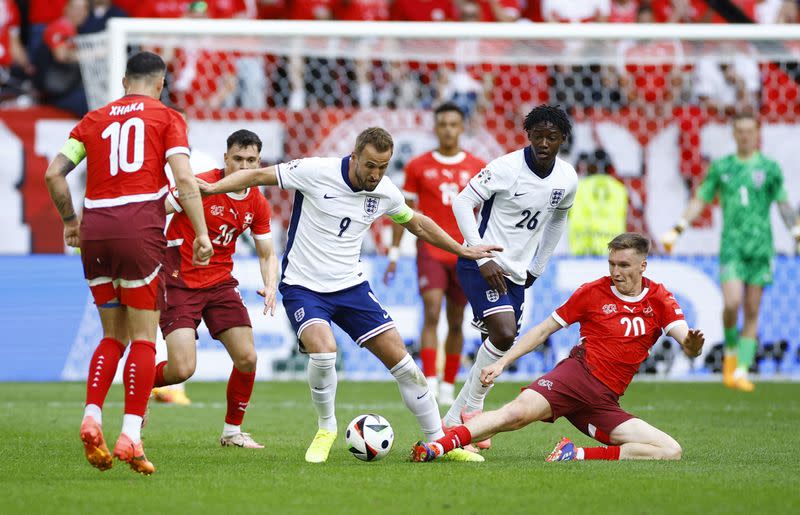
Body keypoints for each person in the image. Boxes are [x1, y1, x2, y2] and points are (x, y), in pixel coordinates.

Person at [199, 127, 499, 463]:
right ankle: (326, 428)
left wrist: (462, 248)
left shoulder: (384, 192)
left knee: (403, 363)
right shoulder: (315, 171)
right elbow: (256, 175)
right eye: (370, 165)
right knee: (324, 352)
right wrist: (211, 188)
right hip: (304, 287)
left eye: (383, 167)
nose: (375, 174)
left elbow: (417, 223)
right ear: (354, 156)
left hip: (351, 287)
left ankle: (439, 442)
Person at [44, 51, 213, 475]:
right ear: (160, 84)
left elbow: (53, 174)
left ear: (123, 81)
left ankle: (92, 415)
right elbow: (186, 181)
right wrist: (202, 234)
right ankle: (131, 437)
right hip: (139, 228)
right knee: (142, 338)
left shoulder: (94, 120)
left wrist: (70, 222)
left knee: (111, 335)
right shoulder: (168, 117)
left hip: (95, 229)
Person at [412, 232, 705, 462]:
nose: (616, 271)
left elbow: (685, 340)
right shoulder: (592, 292)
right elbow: (542, 331)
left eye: (624, 265)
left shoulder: (659, 299)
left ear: (643, 265)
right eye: (612, 264)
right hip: (575, 378)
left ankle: (574, 454)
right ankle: (439, 446)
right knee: (515, 416)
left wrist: (690, 344)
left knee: (669, 450)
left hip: (603, 401)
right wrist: (501, 362)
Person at [441, 104, 578, 451]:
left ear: (562, 139)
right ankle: (472, 414)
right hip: (481, 264)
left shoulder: (566, 179)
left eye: (552, 136)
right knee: (503, 334)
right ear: (528, 135)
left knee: (500, 343)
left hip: (517, 273)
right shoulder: (506, 168)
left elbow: (558, 220)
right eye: (538, 135)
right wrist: (479, 252)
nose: (544, 143)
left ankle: (455, 421)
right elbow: (461, 202)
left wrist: (538, 266)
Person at [152, 129, 277, 448]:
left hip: (220, 284)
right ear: (226, 158)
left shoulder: (257, 202)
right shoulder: (199, 183)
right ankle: (137, 386)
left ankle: (232, 432)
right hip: (179, 279)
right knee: (182, 369)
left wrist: (270, 283)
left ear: (259, 162)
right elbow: (153, 210)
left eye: (251, 160)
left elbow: (267, 252)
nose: (244, 166)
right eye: (238, 159)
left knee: (248, 357)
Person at [661, 114, 800, 392]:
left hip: (761, 248)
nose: (745, 136)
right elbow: (701, 198)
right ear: (734, 134)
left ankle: (741, 371)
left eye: (750, 131)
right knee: (732, 303)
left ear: (757, 133)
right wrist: (678, 227)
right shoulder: (722, 167)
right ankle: (731, 357)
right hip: (732, 247)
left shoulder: (769, 168)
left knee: (751, 309)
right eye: (740, 131)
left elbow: (783, 202)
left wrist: (795, 229)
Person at [383, 102, 486, 406]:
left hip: (465, 252)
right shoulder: (417, 166)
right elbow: (405, 213)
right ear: (436, 127)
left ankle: (448, 384)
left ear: (462, 127)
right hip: (430, 249)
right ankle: (428, 380)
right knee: (431, 311)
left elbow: (488, 212)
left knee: (457, 319)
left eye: (454, 124)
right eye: (443, 124)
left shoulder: (478, 166)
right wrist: (392, 253)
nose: (448, 130)